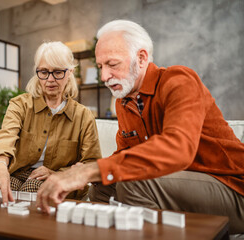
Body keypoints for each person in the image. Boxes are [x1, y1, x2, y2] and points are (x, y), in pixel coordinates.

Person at [36, 20, 244, 233]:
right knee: (101, 187)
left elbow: (178, 149)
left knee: (133, 182)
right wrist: (84, 172)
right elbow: (126, 155)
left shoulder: (180, 80)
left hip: (233, 188)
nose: (105, 77)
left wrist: (91, 170)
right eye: (100, 67)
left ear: (141, 58)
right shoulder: (123, 101)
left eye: (112, 64)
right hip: (179, 185)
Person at [0, 41, 102, 206]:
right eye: (44, 72)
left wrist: (57, 174)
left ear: (70, 72)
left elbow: (91, 163)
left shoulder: (83, 115)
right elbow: (6, 136)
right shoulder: (21, 105)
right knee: (5, 189)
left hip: (57, 177)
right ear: (37, 72)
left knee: (34, 187)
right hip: (18, 173)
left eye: (58, 72)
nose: (50, 79)